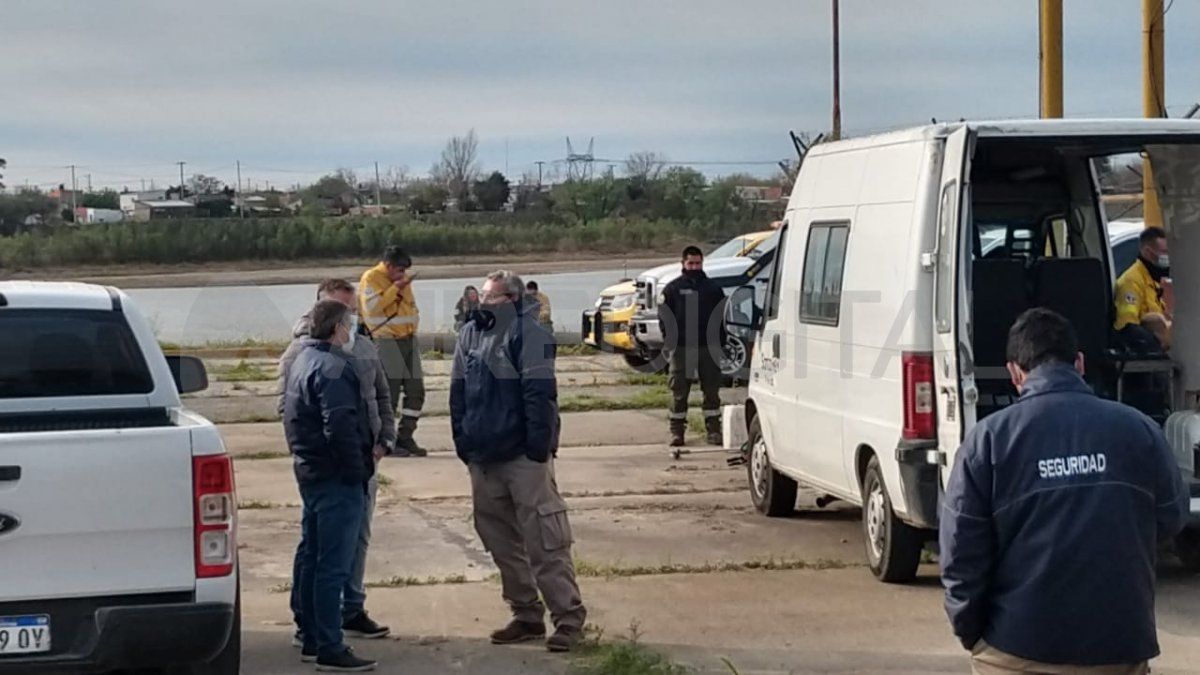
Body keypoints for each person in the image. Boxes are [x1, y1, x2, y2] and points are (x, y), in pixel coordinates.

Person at [940, 308, 1188, 675]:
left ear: (1014, 372)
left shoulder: (988, 442)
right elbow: (1171, 517)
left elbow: (960, 554)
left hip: (1016, 649)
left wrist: (972, 633)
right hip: (1118, 649)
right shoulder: (1139, 430)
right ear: (1080, 363)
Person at [449, 270, 587, 653]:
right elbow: (458, 390)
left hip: (523, 456)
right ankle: (526, 614)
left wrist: (537, 449)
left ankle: (569, 619)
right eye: (482, 296)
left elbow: (539, 393)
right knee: (499, 540)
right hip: (482, 456)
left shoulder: (532, 334)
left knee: (545, 540)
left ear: (510, 299)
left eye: (490, 297)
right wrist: (462, 441)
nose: (482, 302)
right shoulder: (469, 334)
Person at [279, 279, 392, 648]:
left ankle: (348, 611)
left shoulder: (361, 348)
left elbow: (381, 395)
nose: (352, 321)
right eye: (345, 315)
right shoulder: (308, 356)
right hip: (336, 470)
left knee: (352, 541)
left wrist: (384, 440)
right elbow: (302, 414)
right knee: (323, 553)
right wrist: (348, 465)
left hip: (358, 461)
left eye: (353, 311)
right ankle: (315, 630)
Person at [359, 245, 427, 457]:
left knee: (416, 391)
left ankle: (406, 436)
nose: (403, 274)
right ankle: (387, 440)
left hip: (408, 338)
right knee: (390, 393)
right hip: (387, 340)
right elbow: (374, 308)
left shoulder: (402, 280)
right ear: (388, 265)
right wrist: (395, 287)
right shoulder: (371, 278)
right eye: (399, 270)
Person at [658, 245, 725, 448]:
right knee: (679, 392)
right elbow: (664, 317)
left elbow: (721, 317)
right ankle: (677, 433)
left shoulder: (713, 289)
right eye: (690, 263)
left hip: (708, 348)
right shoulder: (672, 289)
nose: (694, 267)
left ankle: (714, 431)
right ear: (683, 263)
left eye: (698, 263)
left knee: (712, 392)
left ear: (702, 263)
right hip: (682, 348)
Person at [1115, 226, 1172, 350]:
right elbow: (1127, 327)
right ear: (1147, 252)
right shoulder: (1132, 281)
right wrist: (1156, 344)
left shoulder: (1150, 280)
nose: (1168, 257)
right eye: (1164, 252)